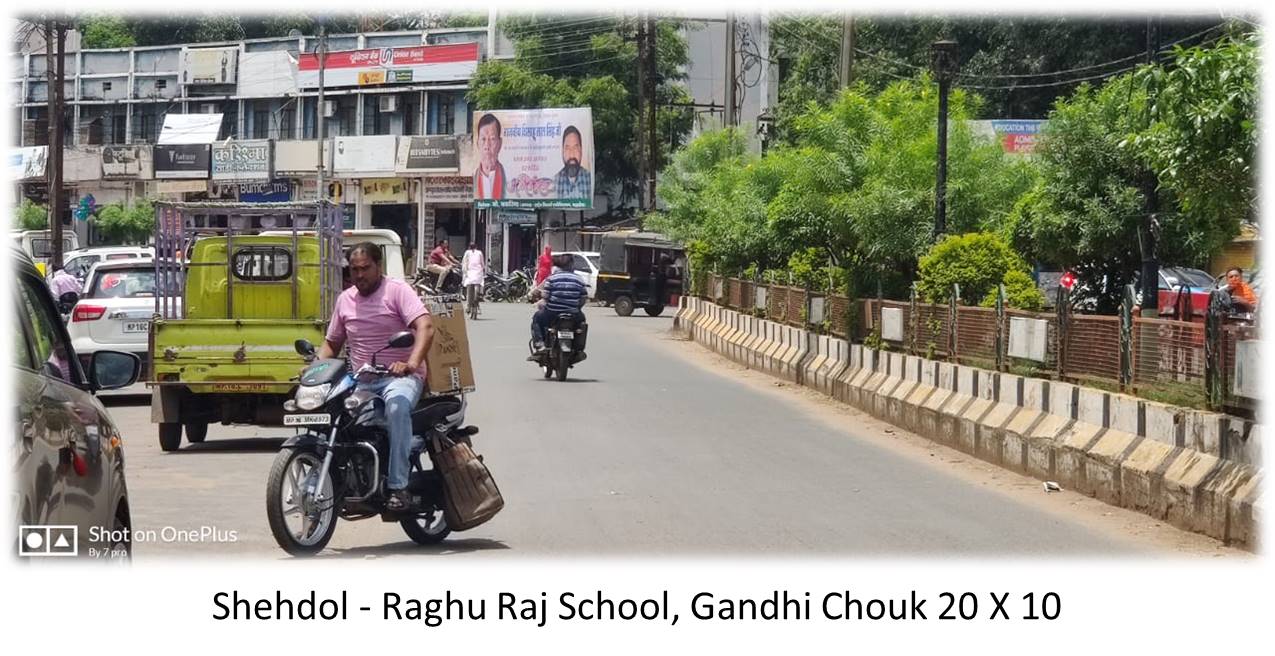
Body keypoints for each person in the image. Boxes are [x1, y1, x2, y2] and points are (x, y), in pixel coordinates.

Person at [317, 242, 434, 512]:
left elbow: (425, 327)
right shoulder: (345, 299)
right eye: (354, 270)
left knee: (396, 407)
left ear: (378, 266)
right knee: (334, 414)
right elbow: (332, 343)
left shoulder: (397, 291)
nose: (359, 275)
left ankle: (399, 486)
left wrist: (411, 363)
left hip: (399, 379)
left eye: (365, 268)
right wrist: (314, 368)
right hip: (362, 381)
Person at [528, 254, 589, 357]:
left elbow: (546, 296)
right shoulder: (579, 280)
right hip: (573, 314)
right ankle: (578, 348)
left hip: (553, 313)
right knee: (582, 322)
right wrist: (576, 307)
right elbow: (583, 298)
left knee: (537, 318)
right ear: (571, 265)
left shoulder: (552, 278)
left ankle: (539, 344)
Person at [554, 125, 591, 200]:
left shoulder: (589, 178)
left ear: (581, 150)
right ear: (562, 151)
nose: (571, 154)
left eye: (575, 148)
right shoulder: (554, 181)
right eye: (567, 148)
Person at [473, 113, 506, 200]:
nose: (487, 146)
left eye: (492, 139)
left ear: (500, 143)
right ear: (477, 144)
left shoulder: (508, 177)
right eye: (483, 139)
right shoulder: (472, 179)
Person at [461, 242, 486, 313]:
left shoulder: (467, 252)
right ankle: (479, 296)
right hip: (478, 272)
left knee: (469, 290)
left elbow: (464, 262)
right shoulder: (479, 252)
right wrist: (483, 269)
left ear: (469, 247)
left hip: (470, 272)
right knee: (478, 284)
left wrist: (464, 271)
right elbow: (482, 263)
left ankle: (468, 307)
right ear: (476, 247)